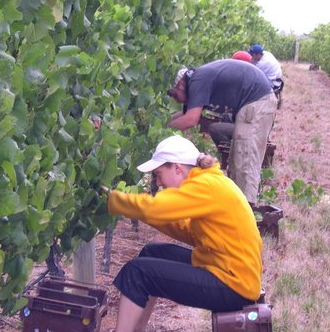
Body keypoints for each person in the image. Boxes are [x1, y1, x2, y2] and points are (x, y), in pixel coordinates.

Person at [107, 135, 263, 332]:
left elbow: (156, 208)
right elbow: (189, 231)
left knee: (136, 272)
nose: (158, 181)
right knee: (151, 252)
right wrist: (148, 215)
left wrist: (115, 201)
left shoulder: (205, 185)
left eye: (158, 174)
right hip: (225, 269)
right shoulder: (208, 182)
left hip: (232, 285)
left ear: (177, 169)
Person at [167, 59, 277, 204]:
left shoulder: (198, 80)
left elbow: (191, 119)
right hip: (254, 102)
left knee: (245, 160)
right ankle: (235, 206)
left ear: (180, 85)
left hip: (257, 102)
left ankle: (247, 211)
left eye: (174, 95)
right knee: (236, 160)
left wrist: (164, 133)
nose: (177, 100)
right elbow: (185, 115)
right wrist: (162, 124)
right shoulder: (198, 78)